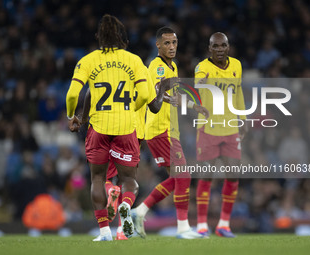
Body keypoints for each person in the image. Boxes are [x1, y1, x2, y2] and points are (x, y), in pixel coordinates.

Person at [66, 14, 151, 241]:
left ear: (98, 37)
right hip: (125, 126)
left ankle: (104, 231)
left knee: (97, 179)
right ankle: (125, 205)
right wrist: (132, 109)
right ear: (122, 37)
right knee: (128, 181)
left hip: (99, 126)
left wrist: (72, 116)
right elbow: (145, 94)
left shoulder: (88, 60)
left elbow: (73, 93)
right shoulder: (134, 61)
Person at [131, 27, 208, 239]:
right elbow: (154, 92)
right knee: (183, 176)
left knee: (177, 178)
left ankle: (140, 211)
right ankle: (183, 228)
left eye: (174, 42)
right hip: (159, 129)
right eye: (167, 43)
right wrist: (166, 98)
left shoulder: (171, 66)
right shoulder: (156, 66)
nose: (172, 47)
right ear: (158, 45)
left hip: (169, 130)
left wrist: (196, 107)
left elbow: (174, 96)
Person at [79, 70, 170, 240]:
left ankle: (110, 191)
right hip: (136, 134)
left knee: (104, 177)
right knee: (127, 180)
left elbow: (90, 93)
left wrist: (83, 118)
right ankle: (121, 231)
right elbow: (155, 106)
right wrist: (161, 90)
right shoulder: (143, 81)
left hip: (116, 129)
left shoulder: (114, 79)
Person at [194, 32, 248, 238]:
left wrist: (242, 118)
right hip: (208, 129)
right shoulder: (202, 67)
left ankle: (223, 224)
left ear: (228, 47)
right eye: (214, 46)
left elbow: (239, 92)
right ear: (209, 49)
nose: (219, 49)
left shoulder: (237, 65)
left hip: (231, 128)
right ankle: (201, 225)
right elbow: (198, 84)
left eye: (222, 45)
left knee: (233, 176)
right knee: (206, 177)